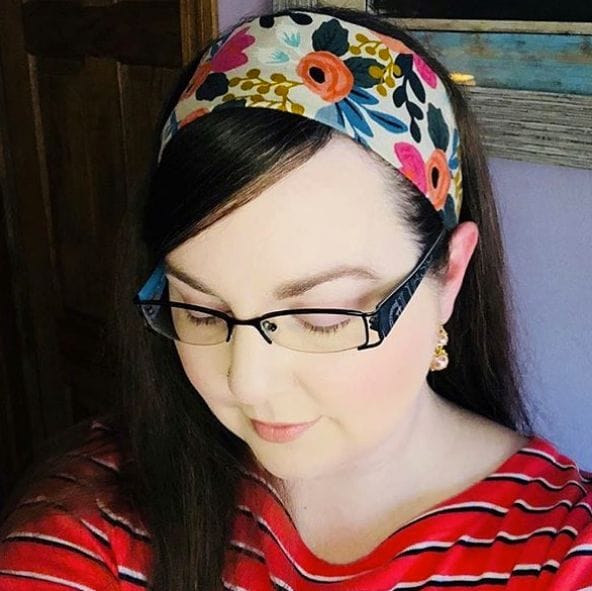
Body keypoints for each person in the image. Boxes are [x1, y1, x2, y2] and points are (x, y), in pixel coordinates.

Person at [1, 5, 591, 590]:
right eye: (201, 311)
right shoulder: (91, 520)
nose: (247, 382)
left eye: (321, 316)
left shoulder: (565, 558)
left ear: (451, 275)